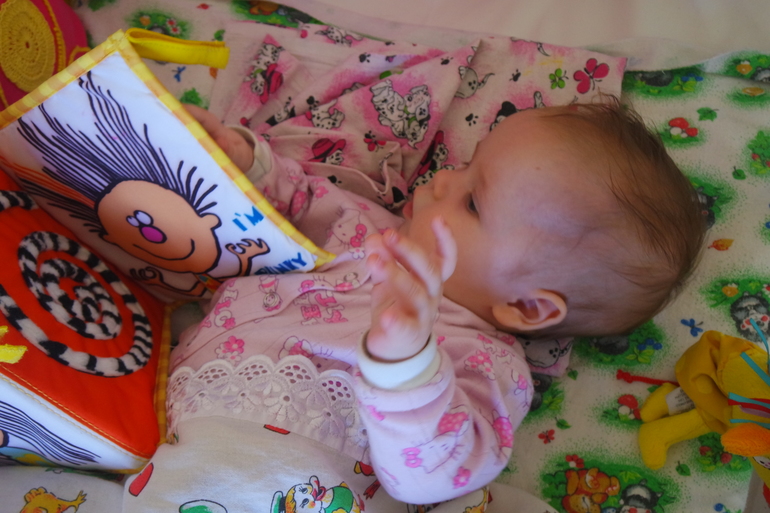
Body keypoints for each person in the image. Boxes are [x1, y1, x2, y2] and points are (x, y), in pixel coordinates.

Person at [122, 100, 704, 512]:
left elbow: (434, 474)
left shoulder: (485, 363)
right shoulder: (369, 228)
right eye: (468, 163)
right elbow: (292, 204)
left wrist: (405, 362)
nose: (444, 179)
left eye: (473, 202)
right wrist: (240, 160)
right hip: (168, 446)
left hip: (300, 485)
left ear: (527, 308)